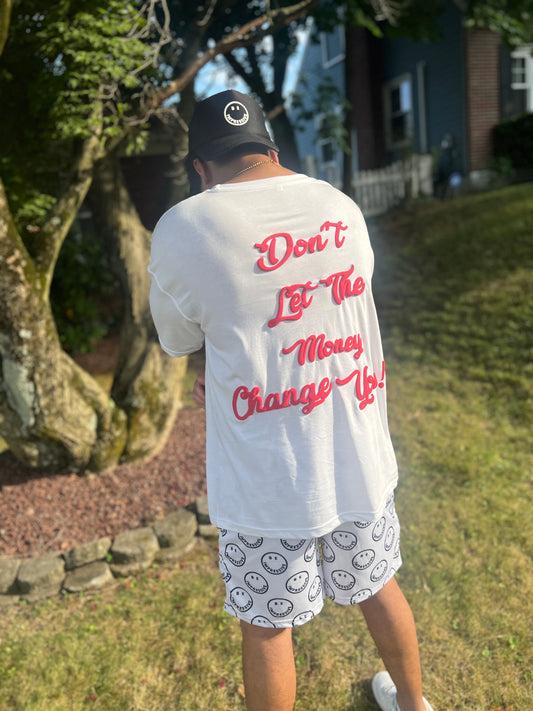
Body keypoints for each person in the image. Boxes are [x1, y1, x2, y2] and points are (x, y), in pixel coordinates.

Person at [148, 89, 435, 711]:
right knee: (378, 584)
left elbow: (179, 339)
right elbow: (333, 308)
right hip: (357, 455)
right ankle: (414, 704)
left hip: (265, 482)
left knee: (267, 627)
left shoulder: (184, 226)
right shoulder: (338, 205)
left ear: (201, 168)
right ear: (271, 151)